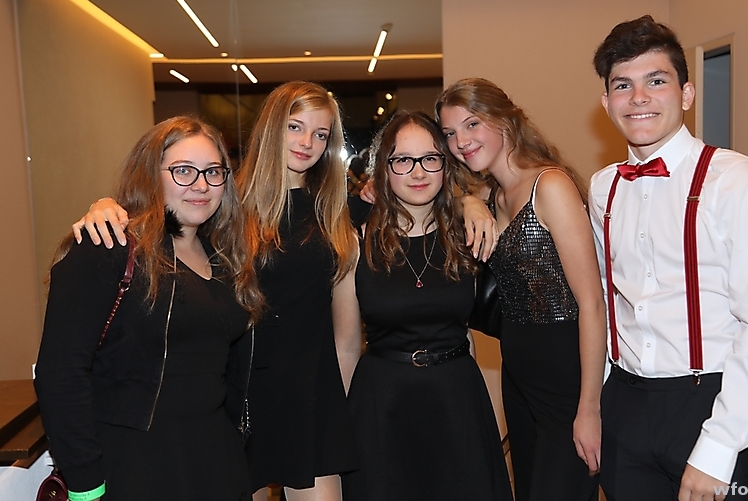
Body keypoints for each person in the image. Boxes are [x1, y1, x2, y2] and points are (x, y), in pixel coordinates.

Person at [73, 84, 498, 501]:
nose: (307, 142)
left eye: (320, 133)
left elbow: (415, 197)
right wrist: (107, 206)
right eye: (295, 127)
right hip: (240, 391)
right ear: (272, 127)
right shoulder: (225, 205)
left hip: (311, 393)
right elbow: (167, 212)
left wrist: (470, 202)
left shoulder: (337, 209)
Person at [589, 15, 748, 501]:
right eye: (623, 85)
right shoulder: (603, 188)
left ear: (686, 94)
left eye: (656, 81)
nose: (638, 97)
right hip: (624, 405)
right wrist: (595, 405)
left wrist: (719, 446)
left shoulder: (737, 182)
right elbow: (605, 303)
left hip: (712, 405)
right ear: (607, 102)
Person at [34, 116, 263, 501]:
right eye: (183, 171)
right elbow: (60, 374)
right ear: (149, 175)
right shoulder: (108, 249)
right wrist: (86, 485)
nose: (201, 185)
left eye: (213, 172)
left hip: (217, 466)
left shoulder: (228, 259)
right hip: (135, 469)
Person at [436, 79, 607, 501]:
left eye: (472, 124)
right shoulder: (493, 194)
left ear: (505, 120)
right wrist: (468, 201)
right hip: (518, 379)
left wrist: (589, 408)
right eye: (450, 133)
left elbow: (591, 303)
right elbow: (439, 192)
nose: (461, 142)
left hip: (566, 382)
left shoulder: (549, 186)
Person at [334, 111, 513, 501]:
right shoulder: (355, 242)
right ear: (384, 168)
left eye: (430, 158)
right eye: (403, 160)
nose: (418, 172)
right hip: (382, 405)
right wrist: (340, 429)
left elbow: (466, 333)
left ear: (445, 166)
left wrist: (471, 202)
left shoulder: (468, 236)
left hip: (456, 401)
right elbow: (346, 347)